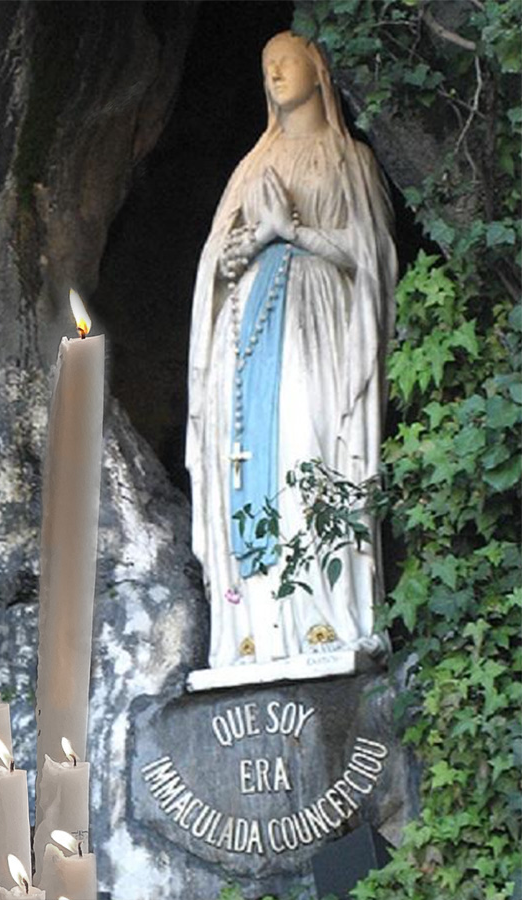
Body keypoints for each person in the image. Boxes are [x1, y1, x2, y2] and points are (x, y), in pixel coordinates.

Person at [186, 30, 397, 669]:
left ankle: (329, 620)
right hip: (245, 344)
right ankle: (253, 632)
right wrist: (237, 254)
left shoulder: (349, 160)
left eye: (288, 62)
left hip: (318, 332)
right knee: (248, 468)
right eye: (267, 65)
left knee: (311, 456)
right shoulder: (250, 169)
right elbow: (213, 268)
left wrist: (291, 231)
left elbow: (372, 257)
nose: (276, 73)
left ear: (319, 71)